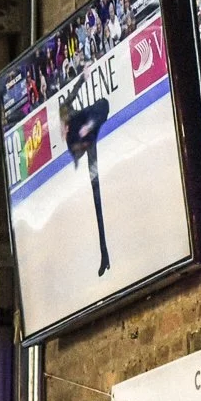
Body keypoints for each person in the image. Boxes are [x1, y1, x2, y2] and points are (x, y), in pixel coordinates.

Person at [61, 87, 112, 275]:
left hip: (97, 112)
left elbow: (101, 107)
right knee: (95, 188)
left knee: (95, 187)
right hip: (89, 123)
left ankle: (104, 253)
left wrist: (83, 77)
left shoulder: (84, 131)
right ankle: (104, 253)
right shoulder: (73, 124)